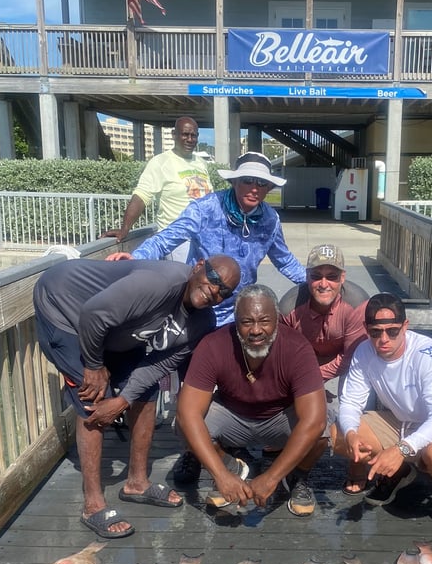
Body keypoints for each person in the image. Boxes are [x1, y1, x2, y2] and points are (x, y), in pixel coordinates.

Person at [112, 150, 307, 486]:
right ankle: (192, 453)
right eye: (248, 180)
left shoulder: (271, 220)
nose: (254, 188)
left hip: (239, 318)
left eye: (262, 183)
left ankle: (232, 444)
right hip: (199, 312)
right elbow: (166, 239)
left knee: (239, 382)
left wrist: (318, 284)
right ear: (234, 181)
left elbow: (285, 261)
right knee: (193, 386)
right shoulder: (206, 208)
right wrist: (134, 259)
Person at [33, 254, 240, 538]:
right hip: (64, 305)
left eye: (224, 291)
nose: (215, 290)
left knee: (147, 389)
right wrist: (94, 366)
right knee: (92, 394)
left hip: (114, 329)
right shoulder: (160, 283)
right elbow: (93, 314)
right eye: (214, 278)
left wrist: (124, 399)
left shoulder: (202, 321)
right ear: (198, 266)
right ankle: (93, 503)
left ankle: (137, 483)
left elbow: (160, 364)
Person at [175, 284, 327, 518]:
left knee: (325, 429)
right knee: (184, 424)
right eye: (247, 322)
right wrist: (220, 475)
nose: (256, 330)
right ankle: (229, 467)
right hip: (233, 416)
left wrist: (270, 478)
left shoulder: (297, 347)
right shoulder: (213, 345)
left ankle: (296, 476)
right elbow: (188, 413)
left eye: (264, 321)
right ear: (236, 322)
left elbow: (314, 420)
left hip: (279, 419)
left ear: (277, 320)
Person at [332, 292, 432, 538]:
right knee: (338, 435)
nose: (383, 339)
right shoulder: (364, 351)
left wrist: (400, 450)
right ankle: (398, 473)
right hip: (401, 422)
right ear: (366, 329)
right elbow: (349, 403)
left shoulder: (428, 354)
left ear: (405, 326)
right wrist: (352, 434)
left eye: (392, 331)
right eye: (376, 332)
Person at [281, 243, 369, 493]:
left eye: (332, 276)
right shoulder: (289, 306)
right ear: (306, 277)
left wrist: (314, 380)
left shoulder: (358, 303)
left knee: (355, 398)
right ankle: (283, 445)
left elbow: (352, 357)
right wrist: (308, 384)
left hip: (348, 360)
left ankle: (357, 466)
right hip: (301, 360)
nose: (323, 283)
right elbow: (285, 355)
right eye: (316, 276)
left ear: (343, 278)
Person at [103, 116, 211, 244]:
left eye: (193, 136)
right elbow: (141, 197)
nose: (190, 139)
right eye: (185, 134)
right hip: (176, 239)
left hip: (203, 237)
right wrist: (125, 228)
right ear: (174, 135)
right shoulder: (160, 163)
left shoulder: (201, 163)